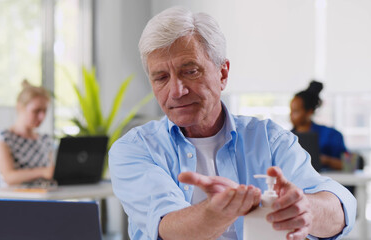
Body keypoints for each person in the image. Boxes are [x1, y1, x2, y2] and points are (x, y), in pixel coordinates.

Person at [109, 7, 356, 240]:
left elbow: (341, 207)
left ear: (223, 73)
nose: (176, 91)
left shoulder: (269, 140)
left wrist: (307, 209)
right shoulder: (135, 149)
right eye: (161, 77)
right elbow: (169, 227)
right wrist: (220, 210)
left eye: (190, 71)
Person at [0, 80, 54, 187]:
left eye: (45, 111)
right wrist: (43, 172)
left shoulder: (45, 140)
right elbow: (9, 177)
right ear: (20, 107)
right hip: (16, 199)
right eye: (36, 111)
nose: (42, 117)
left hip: (45, 197)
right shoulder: (4, 137)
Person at [290, 81, 347, 171]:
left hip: (327, 182)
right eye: (291, 111)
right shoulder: (287, 137)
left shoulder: (331, 134)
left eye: (296, 111)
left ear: (309, 112)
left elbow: (351, 165)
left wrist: (327, 161)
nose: (291, 115)